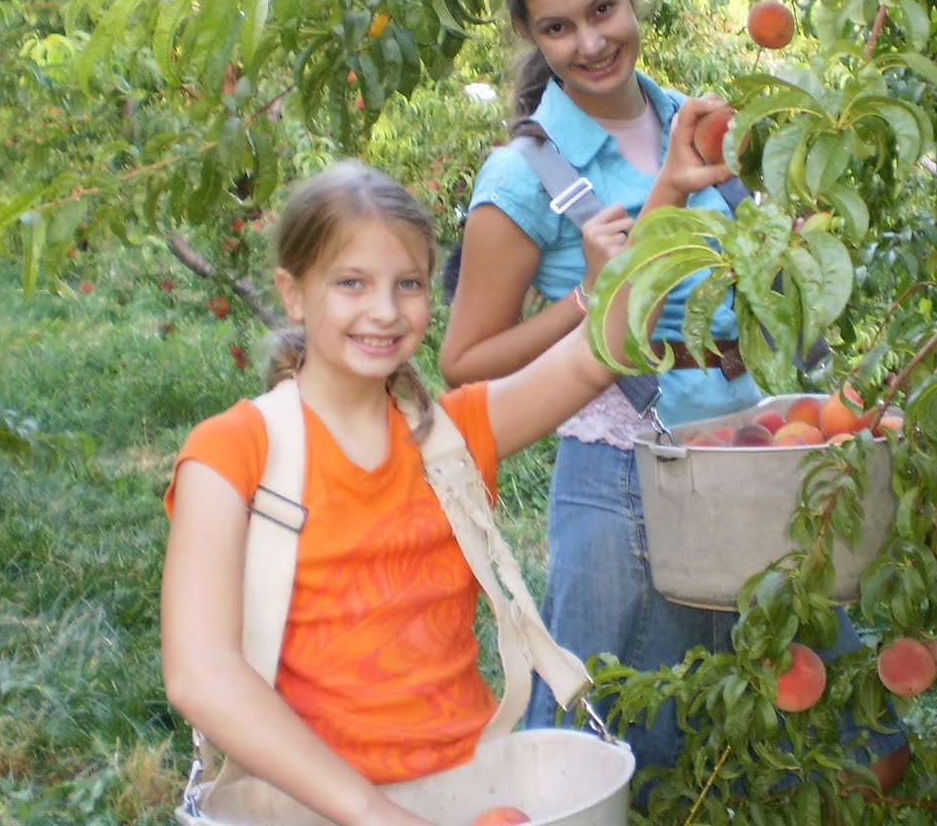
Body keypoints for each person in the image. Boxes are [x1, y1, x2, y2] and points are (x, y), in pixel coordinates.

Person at [439, 0, 911, 788]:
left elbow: (757, 287)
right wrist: (584, 299)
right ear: (533, 38)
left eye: (602, 10)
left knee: (856, 736)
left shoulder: (700, 123)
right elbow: (465, 364)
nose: (589, 43)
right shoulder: (522, 173)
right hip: (623, 468)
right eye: (557, 28)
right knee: (605, 750)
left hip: (750, 450)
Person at [159, 158, 650, 826]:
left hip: (465, 793)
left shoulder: (451, 437)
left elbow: (596, 358)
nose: (385, 311)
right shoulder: (232, 452)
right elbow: (200, 672)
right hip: (313, 803)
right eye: (351, 282)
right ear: (293, 293)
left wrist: (665, 200)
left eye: (409, 284)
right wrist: (372, 813)